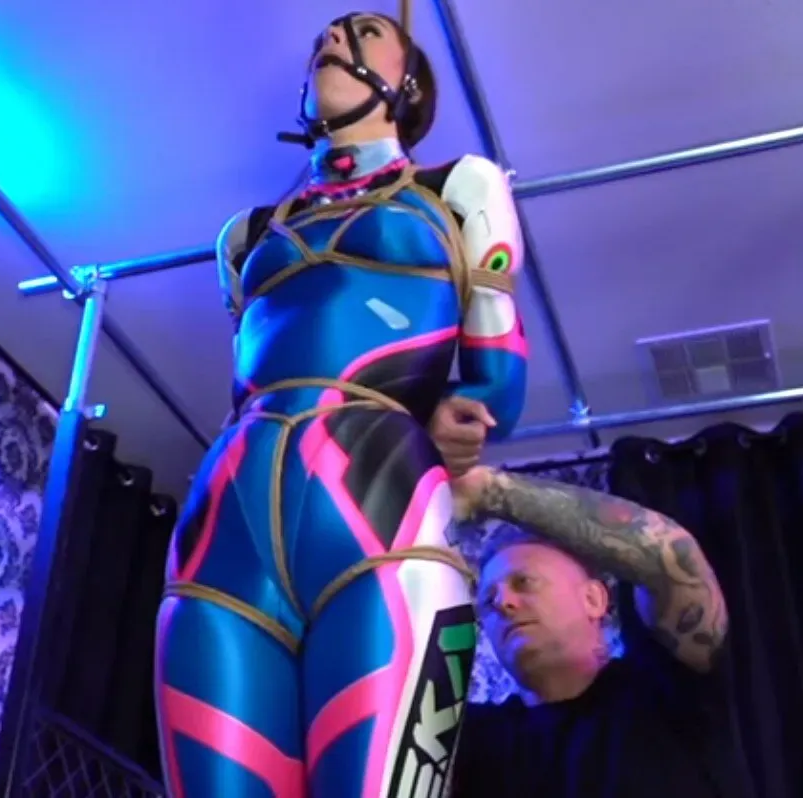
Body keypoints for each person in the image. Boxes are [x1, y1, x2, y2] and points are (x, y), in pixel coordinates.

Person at [153, 8, 530, 798]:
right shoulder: (243, 237)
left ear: (410, 84)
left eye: (365, 31)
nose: (332, 39)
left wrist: (458, 412)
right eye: (325, 34)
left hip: (380, 506)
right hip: (225, 522)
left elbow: (495, 383)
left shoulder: (460, 189)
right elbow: (244, 377)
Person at [428, 397, 745, 797]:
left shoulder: (666, 691)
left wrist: (483, 489)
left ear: (594, 599)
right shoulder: (473, 740)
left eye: (524, 582)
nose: (503, 603)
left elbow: (668, 557)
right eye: (488, 602)